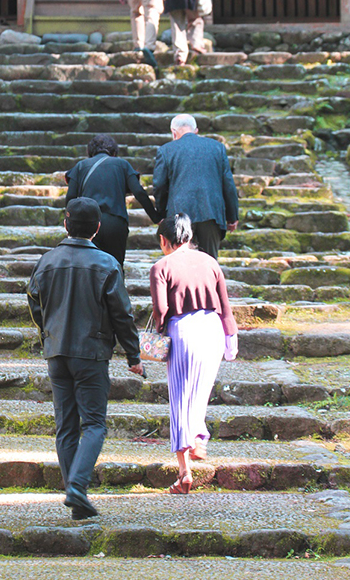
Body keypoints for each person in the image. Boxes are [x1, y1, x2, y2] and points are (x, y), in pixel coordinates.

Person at [27, 197, 143, 520]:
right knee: (93, 424)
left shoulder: (47, 261)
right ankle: (77, 487)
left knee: (65, 426)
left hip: (56, 352)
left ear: (66, 224)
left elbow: (34, 301)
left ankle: (75, 495)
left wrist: (48, 334)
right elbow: (122, 314)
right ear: (97, 228)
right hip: (91, 353)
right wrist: (132, 354)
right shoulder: (107, 264)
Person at [149, 213, 238, 494]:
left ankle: (184, 472)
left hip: (182, 332)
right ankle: (199, 437)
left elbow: (161, 310)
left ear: (164, 240)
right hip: (212, 330)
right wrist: (231, 337)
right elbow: (225, 305)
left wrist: (159, 333)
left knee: (180, 399)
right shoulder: (210, 262)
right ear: (188, 236)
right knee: (200, 393)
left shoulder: (161, 267)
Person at [65, 133, 161, 267]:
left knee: (87, 266)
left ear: (90, 151)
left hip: (87, 222)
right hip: (115, 222)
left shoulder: (81, 166)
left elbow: (70, 197)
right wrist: (155, 217)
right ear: (114, 152)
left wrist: (70, 223)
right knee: (115, 266)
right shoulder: (122, 165)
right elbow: (139, 192)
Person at [153, 113, 239, 259]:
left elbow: (159, 186)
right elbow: (228, 184)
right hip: (210, 212)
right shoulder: (217, 148)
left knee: (180, 259)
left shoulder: (166, 150)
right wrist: (232, 216)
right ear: (196, 131)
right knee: (209, 261)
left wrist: (161, 215)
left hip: (179, 215)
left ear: (173, 132)